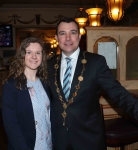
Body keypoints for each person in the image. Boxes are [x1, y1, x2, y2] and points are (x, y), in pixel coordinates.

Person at [47, 18, 138, 150]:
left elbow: (119, 94)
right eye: (62, 33)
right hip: (58, 139)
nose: (68, 38)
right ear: (56, 37)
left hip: (88, 139)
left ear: (79, 36)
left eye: (72, 32)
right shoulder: (49, 65)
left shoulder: (96, 62)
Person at [2, 37, 52, 150]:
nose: (34, 56)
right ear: (22, 55)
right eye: (29, 52)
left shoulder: (45, 83)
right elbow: (11, 125)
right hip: (26, 146)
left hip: (48, 144)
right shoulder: (11, 85)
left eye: (38, 53)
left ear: (42, 56)